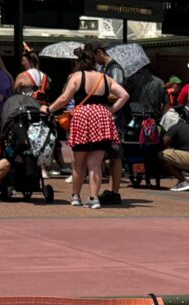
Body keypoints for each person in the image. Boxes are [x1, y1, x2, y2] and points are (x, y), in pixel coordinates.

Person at [46, 43, 128, 209]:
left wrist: (48, 109)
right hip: (101, 117)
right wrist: (111, 109)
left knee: (78, 162)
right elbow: (124, 95)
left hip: (82, 116)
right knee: (95, 163)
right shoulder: (104, 77)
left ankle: (75, 196)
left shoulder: (76, 77)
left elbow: (64, 99)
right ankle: (94, 198)